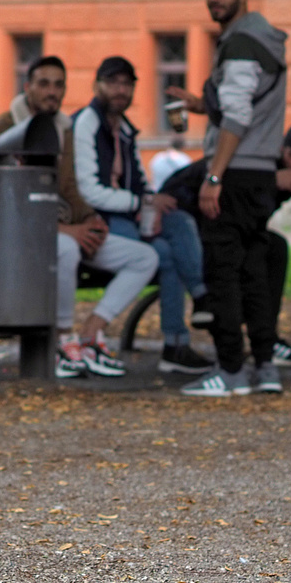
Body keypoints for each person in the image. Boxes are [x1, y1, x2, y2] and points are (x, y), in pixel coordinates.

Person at [0, 55, 158, 379]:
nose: (52, 91)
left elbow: (70, 189)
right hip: (15, 236)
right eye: (44, 83)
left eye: (59, 85)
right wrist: (65, 229)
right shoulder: (4, 128)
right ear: (27, 87)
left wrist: (91, 220)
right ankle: (63, 340)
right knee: (67, 248)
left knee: (144, 257)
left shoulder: (64, 129)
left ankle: (91, 333)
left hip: (61, 229)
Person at [167, 0, 287, 398]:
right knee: (253, 271)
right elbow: (249, 104)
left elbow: (238, 114)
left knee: (223, 272)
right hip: (260, 173)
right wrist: (203, 107)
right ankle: (265, 366)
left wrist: (213, 177)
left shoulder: (241, 43)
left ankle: (231, 370)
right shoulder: (264, 39)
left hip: (235, 173)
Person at [72, 56, 214, 376]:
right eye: (113, 83)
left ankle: (201, 302)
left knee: (179, 221)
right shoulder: (86, 124)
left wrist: (151, 202)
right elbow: (88, 191)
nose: (121, 90)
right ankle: (176, 341)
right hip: (95, 218)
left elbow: (137, 181)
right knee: (164, 253)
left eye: (127, 84)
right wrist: (141, 204)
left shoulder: (125, 130)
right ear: (97, 86)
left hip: (125, 212)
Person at [160, 122, 291, 385]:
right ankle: (236, 360)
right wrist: (272, 182)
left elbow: (259, 211)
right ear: (282, 148)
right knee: (238, 258)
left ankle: (264, 346)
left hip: (235, 225)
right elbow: (202, 188)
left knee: (270, 249)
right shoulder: (256, 164)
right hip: (203, 224)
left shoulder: (288, 176)